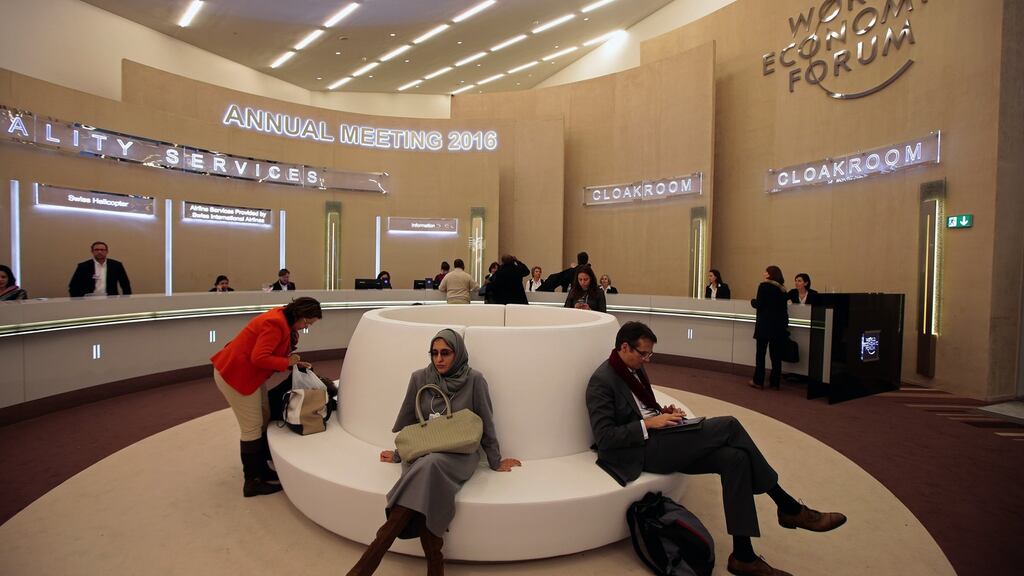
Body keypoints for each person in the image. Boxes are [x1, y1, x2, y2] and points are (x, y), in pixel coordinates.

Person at [586, 322, 846, 576]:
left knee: (736, 459)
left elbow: (643, 405)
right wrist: (649, 423)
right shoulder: (602, 381)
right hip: (641, 452)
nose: (647, 359)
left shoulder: (633, 368)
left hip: (662, 438)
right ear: (624, 347)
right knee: (730, 426)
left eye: (650, 354)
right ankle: (788, 507)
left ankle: (743, 556)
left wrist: (664, 413)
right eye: (643, 353)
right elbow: (606, 438)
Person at [347, 329, 520, 576]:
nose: (439, 359)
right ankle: (434, 568)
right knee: (427, 472)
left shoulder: (475, 380)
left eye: (446, 353)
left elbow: (487, 422)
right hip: (422, 452)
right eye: (434, 353)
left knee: (429, 467)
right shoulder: (420, 378)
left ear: (457, 353)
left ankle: (362, 569)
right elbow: (408, 421)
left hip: (458, 456)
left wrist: (495, 461)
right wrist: (398, 454)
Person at [210, 297, 322, 497]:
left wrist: (292, 363)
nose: (307, 327)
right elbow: (259, 358)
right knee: (252, 426)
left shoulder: (283, 321)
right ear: (299, 316)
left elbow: (267, 355)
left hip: (247, 374)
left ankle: (261, 467)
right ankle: (252, 481)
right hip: (235, 375)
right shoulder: (275, 323)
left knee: (263, 416)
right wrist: (287, 360)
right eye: (307, 323)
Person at [751, 266, 789, 390]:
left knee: (761, 354)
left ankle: (758, 381)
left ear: (770, 274)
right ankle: (774, 382)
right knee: (776, 356)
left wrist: (753, 302)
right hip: (778, 327)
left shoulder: (764, 286)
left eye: (766, 271)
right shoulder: (782, 289)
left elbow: (760, 305)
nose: (764, 273)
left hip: (764, 326)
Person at [68, 241, 132, 297]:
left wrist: (126, 300)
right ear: (92, 251)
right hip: (88, 301)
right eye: (96, 250)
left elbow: (125, 284)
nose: (99, 252)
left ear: (107, 251)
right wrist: (78, 301)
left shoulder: (116, 265)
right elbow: (73, 286)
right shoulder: (83, 266)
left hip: (111, 299)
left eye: (102, 250)